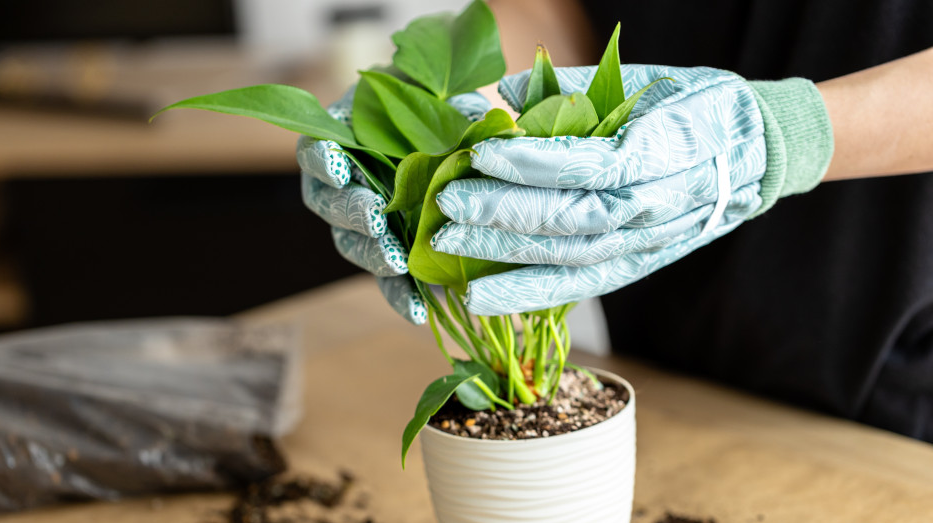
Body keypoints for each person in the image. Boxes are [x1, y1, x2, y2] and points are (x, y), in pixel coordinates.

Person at [299, 0, 933, 442]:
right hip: (659, 371)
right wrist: (424, 112)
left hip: (892, 377)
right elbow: (549, 14)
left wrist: (793, 132)